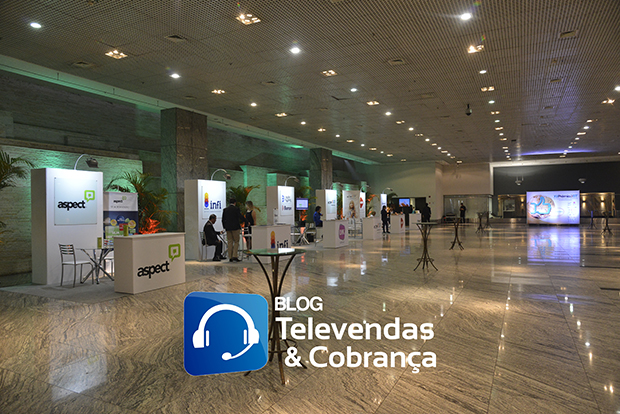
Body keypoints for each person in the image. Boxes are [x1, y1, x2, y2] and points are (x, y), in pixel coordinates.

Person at [222, 198, 243, 262]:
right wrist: (246, 221)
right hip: (235, 228)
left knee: (230, 242)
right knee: (236, 241)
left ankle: (230, 257)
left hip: (228, 228)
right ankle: (234, 256)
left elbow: (223, 219)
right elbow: (240, 216)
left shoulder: (225, 210)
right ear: (235, 203)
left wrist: (225, 227)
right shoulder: (236, 209)